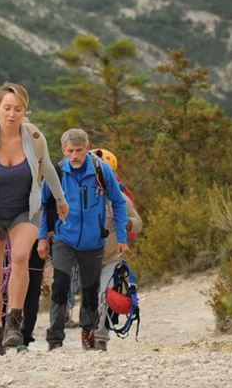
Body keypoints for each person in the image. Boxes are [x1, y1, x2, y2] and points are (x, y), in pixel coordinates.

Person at [0, 83, 68, 358]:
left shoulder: (34, 138)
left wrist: (60, 199)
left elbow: (48, 168)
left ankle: (14, 323)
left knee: (21, 257)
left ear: (25, 111)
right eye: (7, 108)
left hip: (26, 209)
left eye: (18, 109)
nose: (12, 114)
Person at [38, 129, 128, 351]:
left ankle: (88, 332)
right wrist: (42, 237)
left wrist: (122, 238)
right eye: (70, 151)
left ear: (87, 148)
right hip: (63, 238)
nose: (75, 155)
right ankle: (55, 338)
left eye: (79, 150)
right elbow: (43, 205)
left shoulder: (101, 170)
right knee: (59, 285)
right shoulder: (56, 172)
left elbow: (118, 202)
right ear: (63, 150)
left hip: (93, 241)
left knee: (90, 290)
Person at [91, 148, 143, 351]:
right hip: (84, 255)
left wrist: (125, 222)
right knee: (89, 298)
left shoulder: (120, 197)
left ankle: (100, 338)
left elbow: (138, 223)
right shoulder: (78, 193)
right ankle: (88, 333)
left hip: (110, 257)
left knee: (104, 295)